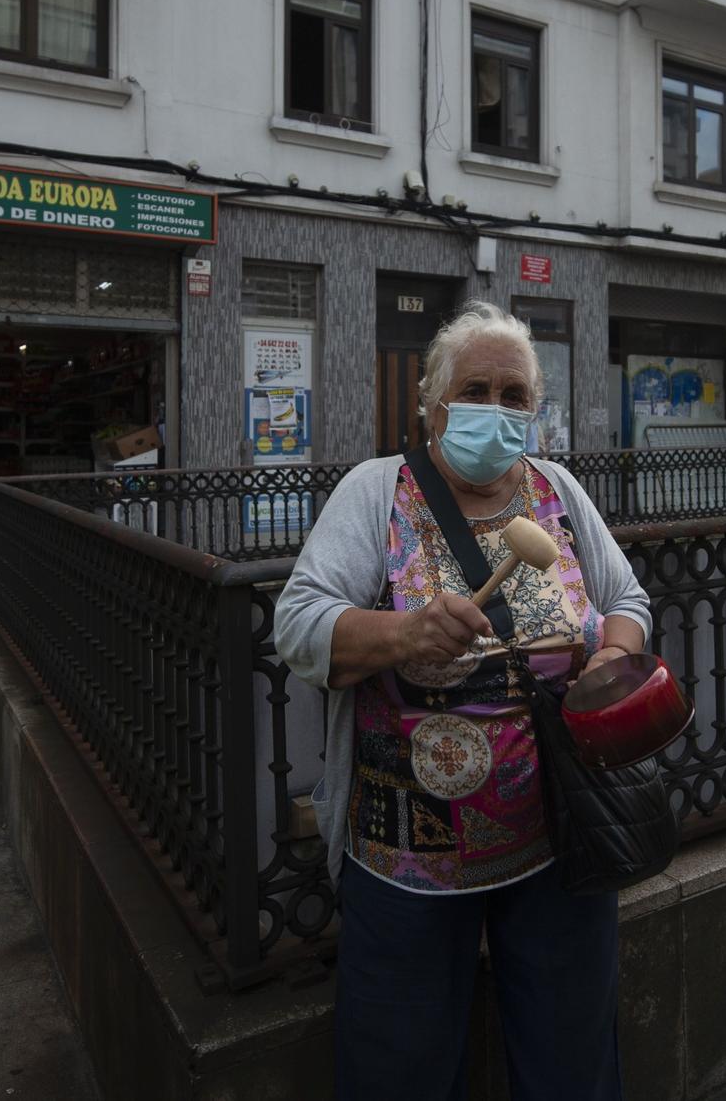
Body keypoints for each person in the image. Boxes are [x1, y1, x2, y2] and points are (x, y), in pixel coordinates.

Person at [275, 301, 652, 1101]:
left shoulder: (559, 492)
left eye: (515, 394)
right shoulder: (376, 492)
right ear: (434, 404)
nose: (497, 407)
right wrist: (406, 632)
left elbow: (627, 598)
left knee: (573, 1067)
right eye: (476, 388)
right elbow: (300, 628)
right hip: (407, 866)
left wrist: (610, 662)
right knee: (398, 1074)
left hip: (558, 842)